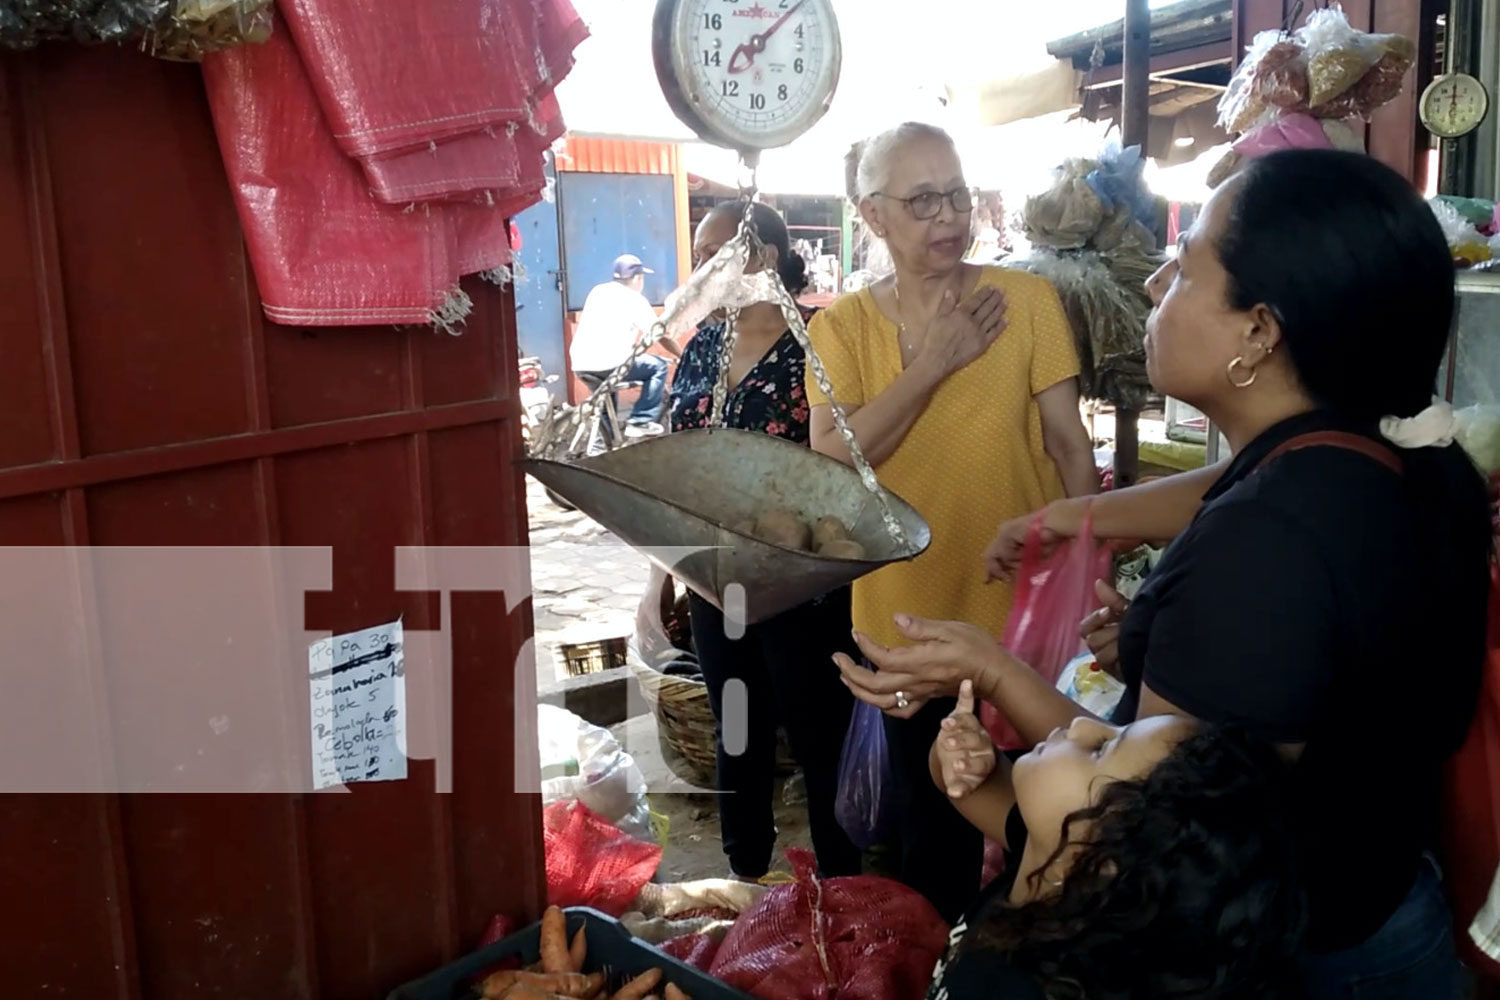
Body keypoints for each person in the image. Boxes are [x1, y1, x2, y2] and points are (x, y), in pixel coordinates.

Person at [842, 150, 1493, 997]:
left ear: (1259, 330)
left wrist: (988, 668)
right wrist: (1073, 531)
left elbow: (1125, 834)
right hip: (1385, 899)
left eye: (1184, 270)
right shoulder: (1381, 457)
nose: (1152, 289)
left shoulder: (1268, 545)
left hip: (1309, 957)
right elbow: (1234, 488)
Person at [805, 122, 1098, 920]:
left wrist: (1091, 580)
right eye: (924, 199)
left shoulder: (1027, 303)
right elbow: (836, 455)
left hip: (1025, 620)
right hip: (907, 622)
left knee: (1049, 824)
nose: (949, 217)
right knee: (933, 834)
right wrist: (935, 360)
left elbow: (1071, 445)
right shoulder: (842, 330)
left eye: (958, 194)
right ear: (873, 216)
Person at [669, 200, 861, 879]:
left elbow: (842, 461)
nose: (702, 267)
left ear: (766, 257)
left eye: (716, 251)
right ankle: (743, 875)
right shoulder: (700, 344)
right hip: (714, 576)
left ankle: (844, 885)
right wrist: (662, 571)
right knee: (739, 727)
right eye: (700, 253)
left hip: (799, 577)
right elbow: (673, 465)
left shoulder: (820, 339)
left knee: (818, 732)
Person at [925, 682, 1305, 999]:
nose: (1080, 726)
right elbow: (964, 788)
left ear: (1109, 862)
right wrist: (959, 755)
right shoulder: (1051, 858)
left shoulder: (1031, 988)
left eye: (1100, 748)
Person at [570, 253, 681, 440]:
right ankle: (641, 420)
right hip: (610, 364)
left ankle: (599, 449)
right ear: (637, 278)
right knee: (658, 366)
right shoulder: (635, 299)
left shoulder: (598, 291)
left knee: (605, 406)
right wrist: (682, 354)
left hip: (581, 364)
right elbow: (660, 335)